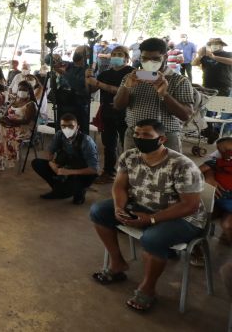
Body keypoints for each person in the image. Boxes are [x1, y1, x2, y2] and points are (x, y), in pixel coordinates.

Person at [89, 119, 205, 312]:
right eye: (137, 134)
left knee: (151, 239)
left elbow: (190, 206)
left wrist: (151, 220)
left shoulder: (182, 165)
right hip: (142, 205)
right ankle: (117, 263)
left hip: (184, 218)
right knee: (99, 212)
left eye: (146, 135)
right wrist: (119, 207)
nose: (139, 138)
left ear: (162, 139)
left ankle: (148, 289)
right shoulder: (130, 156)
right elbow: (119, 185)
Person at [114, 37, 193, 153]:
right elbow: (118, 105)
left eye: (155, 59)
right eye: (145, 59)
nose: (150, 63)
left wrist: (164, 94)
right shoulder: (130, 77)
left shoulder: (179, 81)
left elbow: (186, 115)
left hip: (165, 137)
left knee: (167, 170)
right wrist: (126, 87)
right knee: (132, 168)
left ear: (165, 57)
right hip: (135, 134)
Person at [87, 46, 134, 183]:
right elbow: (92, 89)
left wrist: (99, 83)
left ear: (126, 57)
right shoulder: (104, 74)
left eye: (119, 54)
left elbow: (122, 92)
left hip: (126, 113)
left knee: (127, 145)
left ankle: (129, 174)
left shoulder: (132, 73)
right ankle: (108, 172)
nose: (116, 56)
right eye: (114, 54)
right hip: (107, 113)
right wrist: (89, 78)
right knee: (109, 145)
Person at [32, 113, 98, 204]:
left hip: (81, 172)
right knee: (37, 163)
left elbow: (94, 170)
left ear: (77, 127)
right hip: (65, 167)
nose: (67, 129)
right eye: (63, 126)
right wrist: (52, 163)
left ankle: (80, 191)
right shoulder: (59, 135)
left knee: (69, 191)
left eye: (71, 126)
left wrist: (69, 172)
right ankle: (57, 189)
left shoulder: (86, 142)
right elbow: (50, 152)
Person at [0, 80, 35, 171]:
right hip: (9, 125)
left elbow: (26, 121)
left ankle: (3, 159)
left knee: (3, 133)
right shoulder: (14, 102)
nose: (22, 91)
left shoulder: (30, 104)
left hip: (22, 128)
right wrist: (4, 120)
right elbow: (5, 115)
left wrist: (11, 122)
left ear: (29, 91)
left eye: (24, 90)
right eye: (20, 89)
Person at [53, 47, 91, 134]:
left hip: (78, 106)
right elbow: (52, 62)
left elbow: (78, 84)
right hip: (63, 104)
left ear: (87, 56)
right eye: (76, 52)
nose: (76, 54)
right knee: (62, 131)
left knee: (78, 132)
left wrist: (64, 73)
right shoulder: (69, 64)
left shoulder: (87, 70)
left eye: (80, 53)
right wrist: (53, 58)